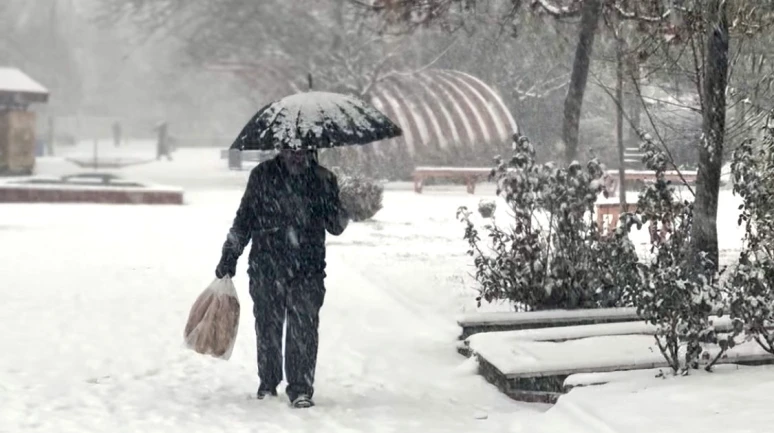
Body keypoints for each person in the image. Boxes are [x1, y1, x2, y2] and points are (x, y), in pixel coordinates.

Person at [215, 148, 349, 409]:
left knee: (304, 329)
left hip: (308, 269)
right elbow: (244, 219)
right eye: (290, 150)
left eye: (302, 150)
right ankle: (268, 383)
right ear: (281, 148)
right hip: (267, 267)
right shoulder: (262, 175)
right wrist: (229, 255)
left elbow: (336, 226)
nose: (296, 155)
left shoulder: (323, 179)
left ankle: (301, 389)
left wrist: (348, 206)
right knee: (268, 326)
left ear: (311, 149)